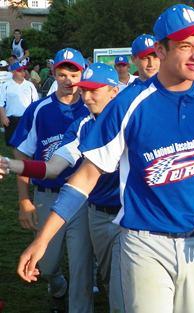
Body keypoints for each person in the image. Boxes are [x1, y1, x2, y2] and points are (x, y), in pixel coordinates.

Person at [17, 5, 194, 313]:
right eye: (185, 45)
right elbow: (85, 176)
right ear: (160, 50)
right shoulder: (129, 103)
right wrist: (43, 239)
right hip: (145, 244)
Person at [1, 63, 124, 313]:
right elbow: (53, 168)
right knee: (114, 285)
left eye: (94, 90)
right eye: (84, 90)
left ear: (114, 91)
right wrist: (9, 164)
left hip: (132, 218)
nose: (86, 97)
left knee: (124, 289)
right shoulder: (82, 126)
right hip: (97, 213)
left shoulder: (134, 119)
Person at [11, 48, 93, 313]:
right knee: (46, 264)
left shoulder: (93, 108)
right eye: (62, 74)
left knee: (82, 265)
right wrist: (24, 199)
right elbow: (21, 154)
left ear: (83, 74)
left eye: (74, 73)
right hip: (47, 195)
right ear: (54, 74)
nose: (68, 80)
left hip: (82, 197)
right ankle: (57, 286)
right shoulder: (39, 109)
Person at [0, 62, 38, 147]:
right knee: (12, 144)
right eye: (19, 71)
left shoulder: (30, 85)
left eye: (23, 70)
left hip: (26, 118)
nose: (22, 73)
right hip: (11, 119)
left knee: (27, 143)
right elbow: (1, 102)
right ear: (13, 72)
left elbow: (35, 102)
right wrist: (3, 117)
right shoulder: (6, 86)